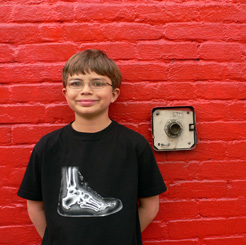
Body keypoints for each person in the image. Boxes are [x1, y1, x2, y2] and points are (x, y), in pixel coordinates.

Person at [17, 49, 167, 244]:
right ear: (65, 93)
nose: (86, 90)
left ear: (114, 94)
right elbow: (35, 206)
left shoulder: (134, 145)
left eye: (97, 83)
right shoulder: (48, 146)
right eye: (76, 83)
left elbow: (150, 206)